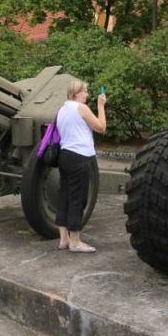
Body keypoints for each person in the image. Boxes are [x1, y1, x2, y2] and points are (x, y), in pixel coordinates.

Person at [55, 79, 106, 254]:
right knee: (78, 198)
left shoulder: (61, 110)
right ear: (76, 93)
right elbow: (101, 127)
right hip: (80, 157)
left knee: (65, 196)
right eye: (85, 91)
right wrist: (101, 105)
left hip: (65, 155)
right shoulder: (81, 108)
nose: (87, 94)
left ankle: (64, 239)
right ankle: (75, 242)